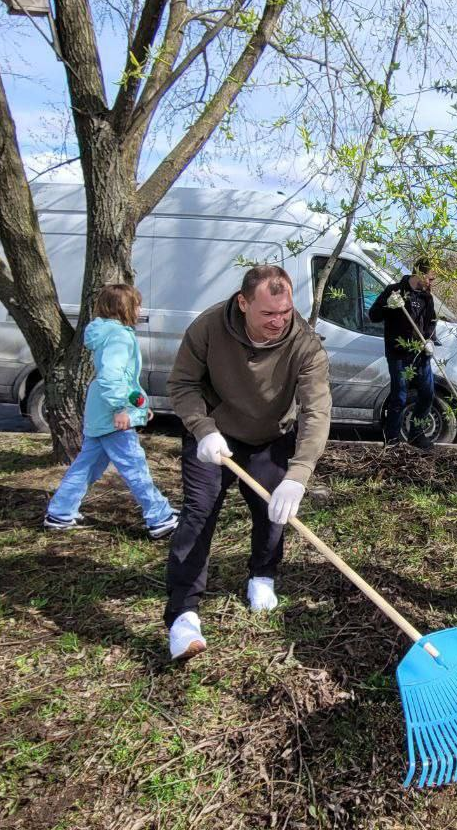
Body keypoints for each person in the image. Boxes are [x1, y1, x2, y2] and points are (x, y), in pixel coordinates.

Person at [164, 265, 331, 661]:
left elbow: (317, 410)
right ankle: (183, 614)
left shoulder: (305, 345)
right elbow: (182, 383)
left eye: (285, 313)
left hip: (270, 435)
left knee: (272, 509)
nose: (278, 322)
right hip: (214, 436)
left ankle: (262, 576)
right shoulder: (208, 327)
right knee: (199, 513)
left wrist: (299, 473)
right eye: (268, 314)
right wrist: (202, 428)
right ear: (243, 303)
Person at [42, 284, 177, 537]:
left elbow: (124, 380)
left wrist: (139, 406)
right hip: (111, 414)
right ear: (123, 307)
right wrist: (122, 409)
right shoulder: (118, 336)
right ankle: (160, 518)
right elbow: (111, 377)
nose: (139, 309)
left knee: (87, 466)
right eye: (136, 304)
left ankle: (60, 513)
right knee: (134, 465)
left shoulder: (106, 333)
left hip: (101, 410)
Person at [367, 257, 440, 449]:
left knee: (427, 394)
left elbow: (431, 322)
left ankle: (416, 434)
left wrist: (431, 340)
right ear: (420, 273)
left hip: (421, 354)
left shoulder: (427, 297)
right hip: (398, 353)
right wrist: (388, 305)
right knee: (399, 396)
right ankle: (392, 440)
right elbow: (373, 316)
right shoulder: (394, 291)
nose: (431, 283)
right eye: (430, 278)